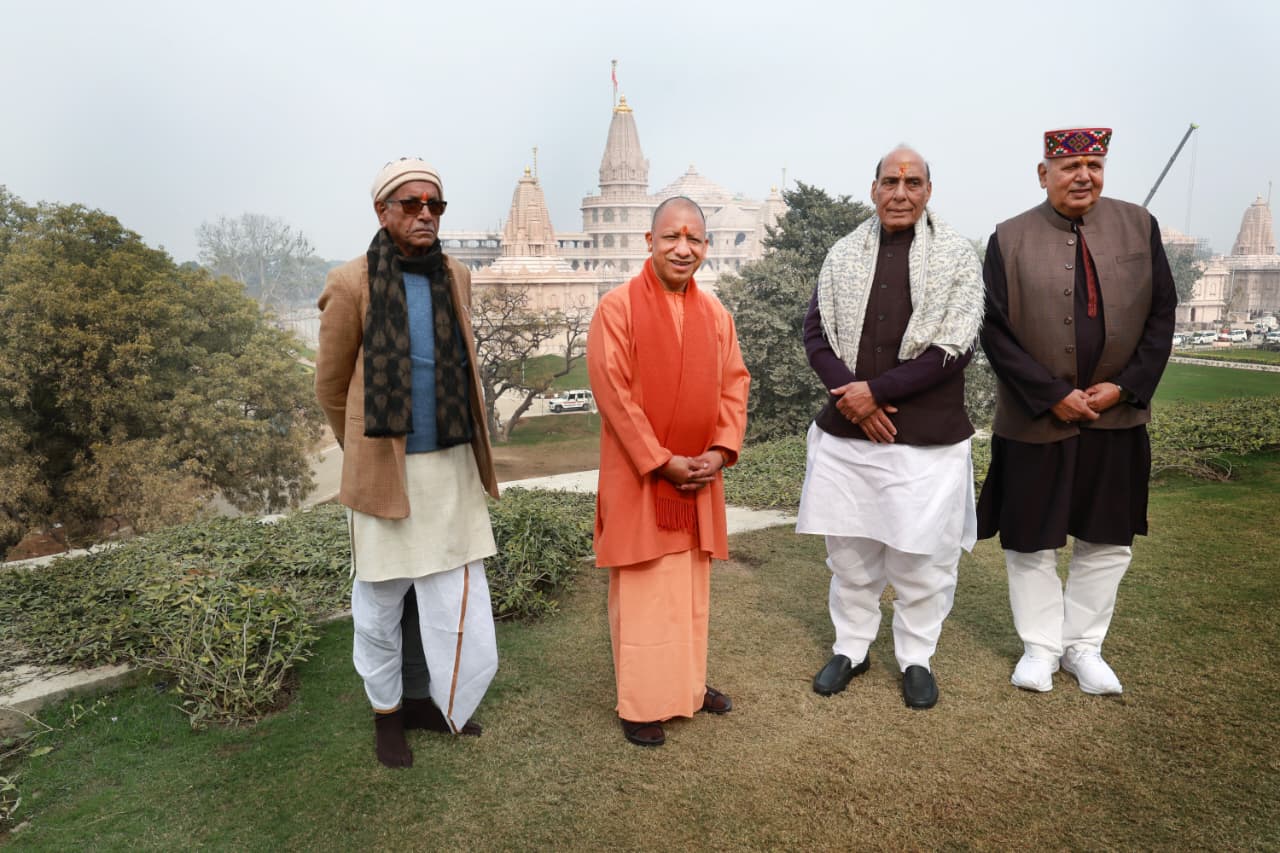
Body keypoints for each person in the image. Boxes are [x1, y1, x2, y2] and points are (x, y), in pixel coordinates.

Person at [977, 128, 1176, 695]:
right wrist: (1050, 394)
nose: (1083, 176)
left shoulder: (1139, 224)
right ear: (1044, 174)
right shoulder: (1008, 237)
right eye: (1069, 167)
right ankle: (1040, 648)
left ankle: (1083, 647)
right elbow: (993, 329)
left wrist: (1126, 387)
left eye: (1094, 164)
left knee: (1107, 539)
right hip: (1035, 418)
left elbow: (1163, 313)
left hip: (1117, 417)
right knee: (1029, 539)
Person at [316, 158, 501, 767]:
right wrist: (365, 453)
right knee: (380, 606)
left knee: (447, 602)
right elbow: (331, 387)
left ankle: (427, 701)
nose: (426, 214)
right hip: (385, 472)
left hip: (450, 465)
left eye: (435, 205)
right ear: (383, 211)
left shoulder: (456, 275)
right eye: (412, 204)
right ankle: (387, 716)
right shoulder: (350, 283)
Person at [796, 146, 985, 710]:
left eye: (913, 182)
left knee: (922, 560)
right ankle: (851, 647)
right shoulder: (843, 253)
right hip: (848, 432)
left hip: (926, 437)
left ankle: (916, 657)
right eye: (890, 182)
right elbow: (816, 335)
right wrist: (855, 400)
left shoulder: (955, 256)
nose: (900, 193)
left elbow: (955, 347)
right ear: (874, 188)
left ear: (928, 190)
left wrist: (876, 392)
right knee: (849, 556)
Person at [587, 196, 750, 747]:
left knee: (688, 592)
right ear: (649, 242)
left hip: (698, 476)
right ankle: (641, 702)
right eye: (671, 237)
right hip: (642, 477)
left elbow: (734, 384)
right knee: (644, 591)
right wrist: (662, 461)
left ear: (706, 246)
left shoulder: (716, 315)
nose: (683, 249)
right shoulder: (617, 309)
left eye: (694, 239)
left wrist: (720, 451)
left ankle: (688, 686)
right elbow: (613, 394)